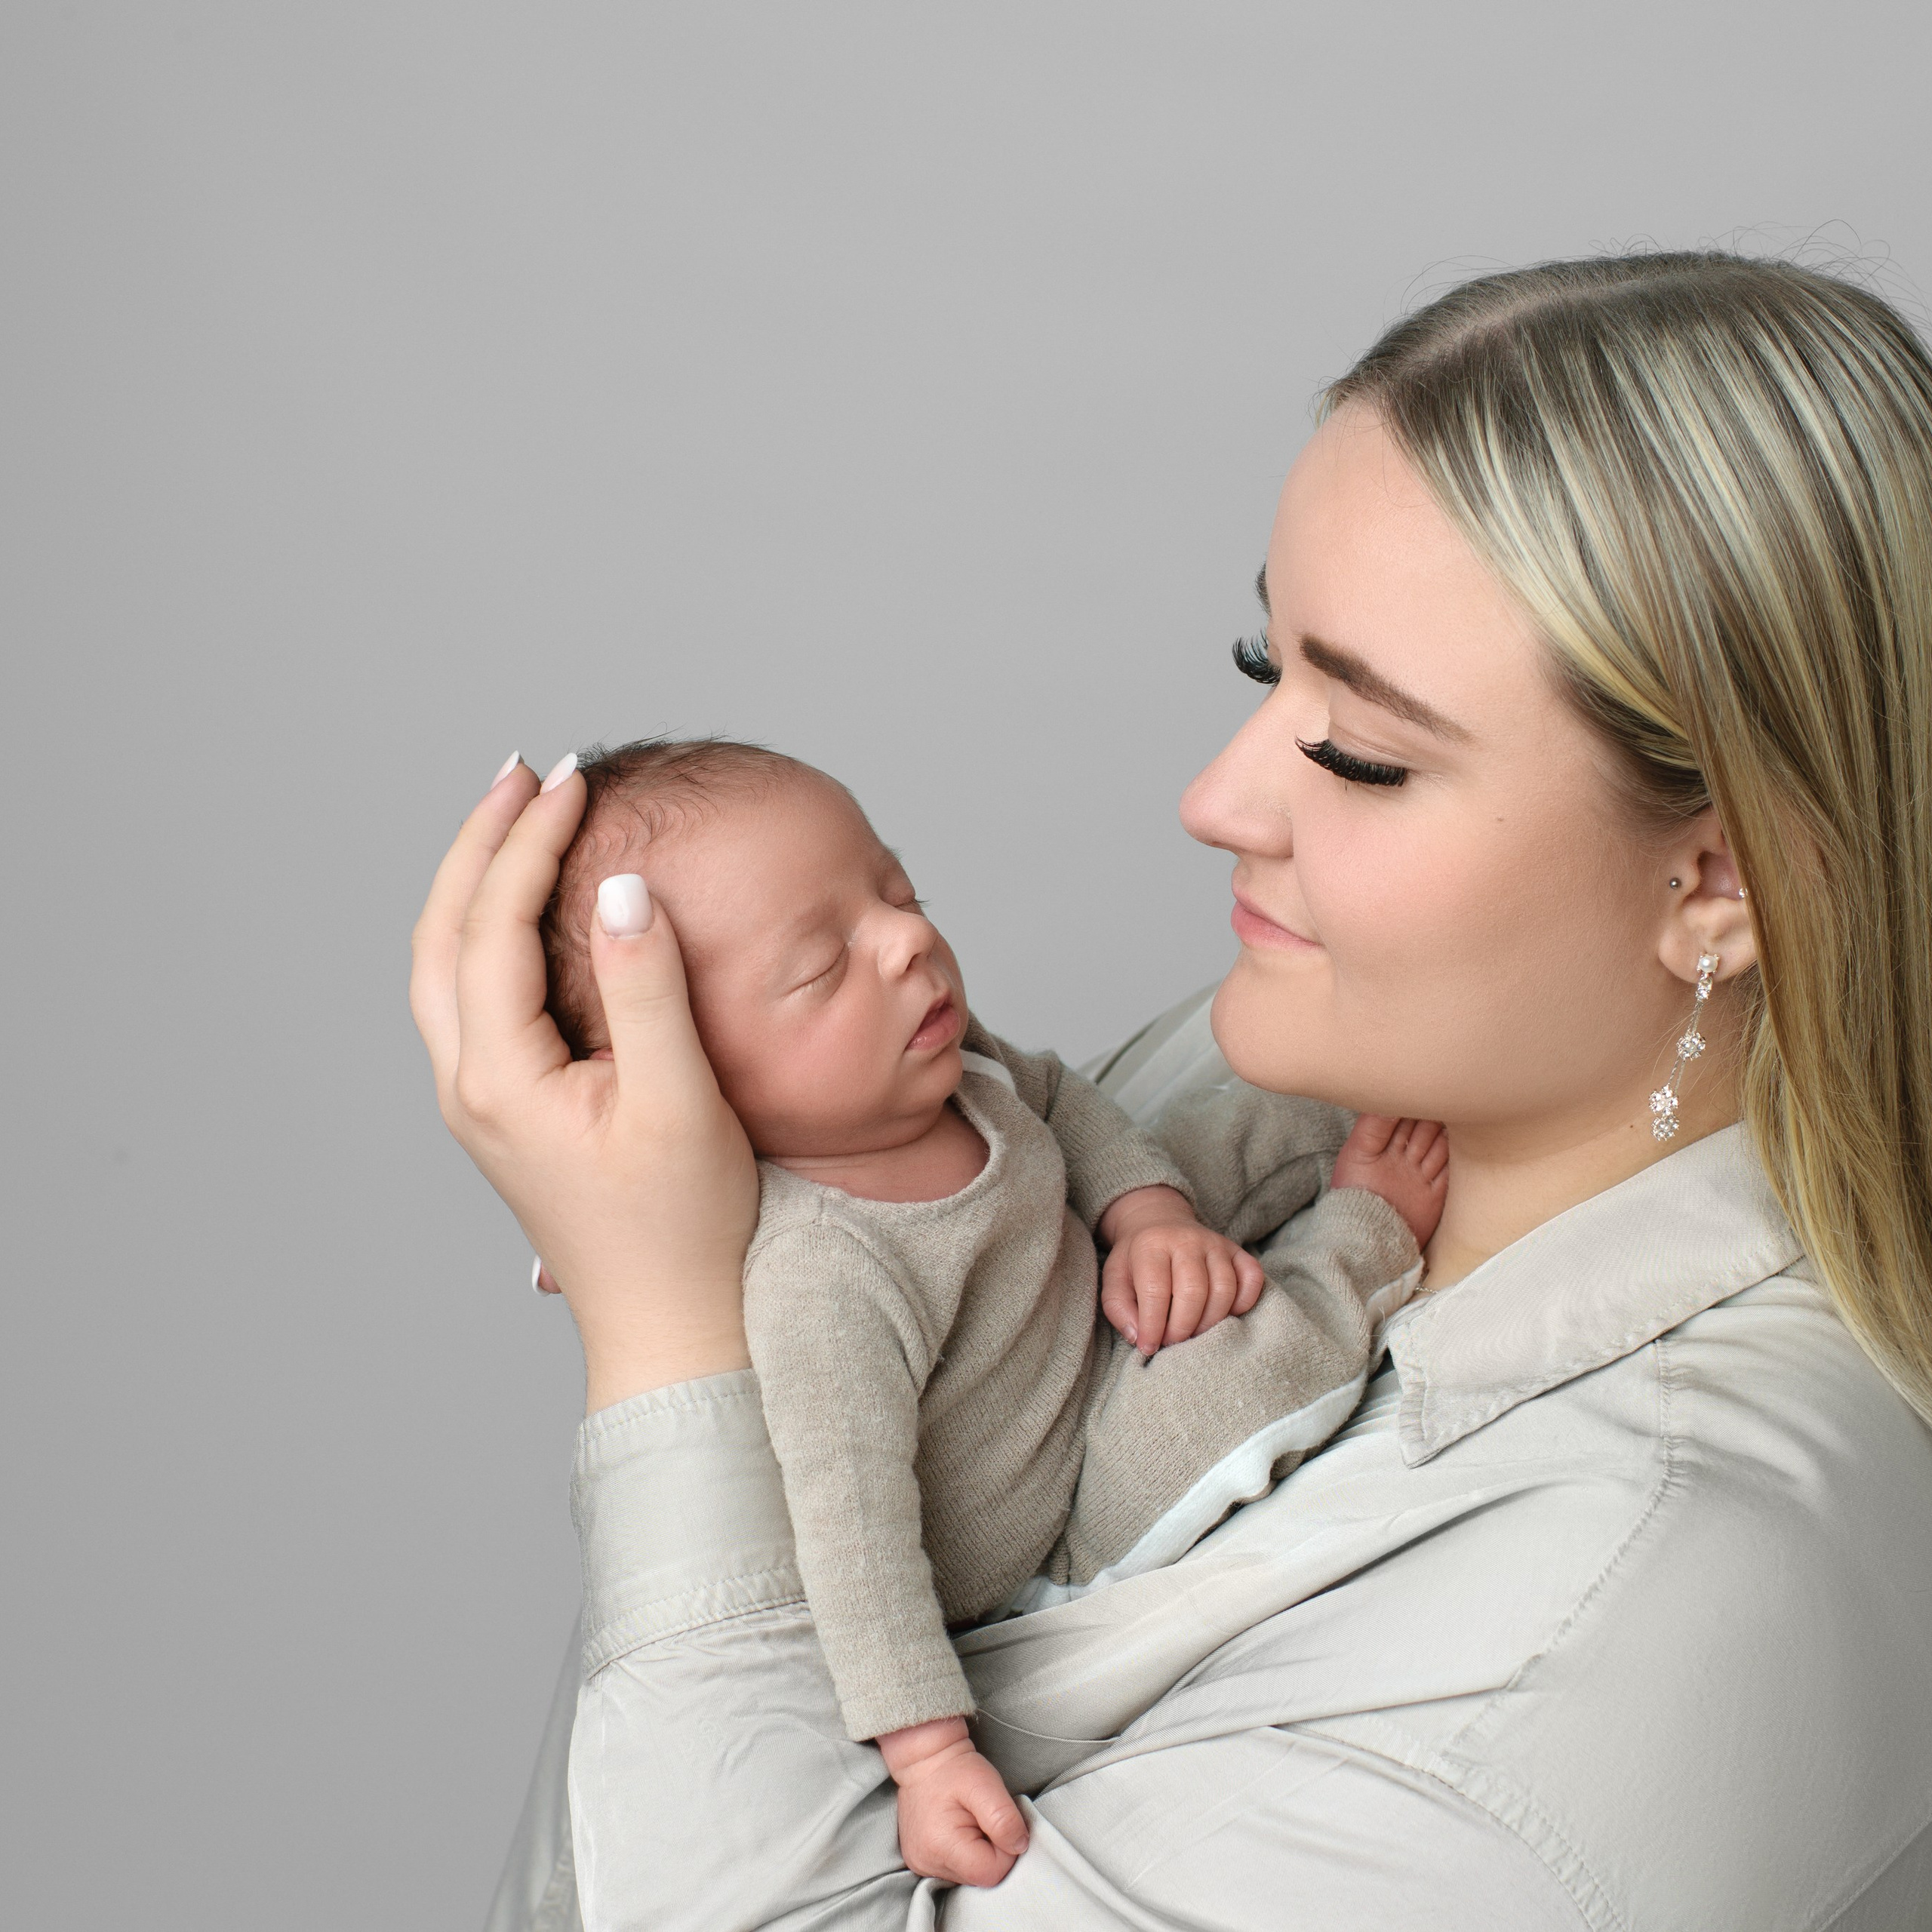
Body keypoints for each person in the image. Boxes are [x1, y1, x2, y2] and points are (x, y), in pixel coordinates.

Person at [414, 251, 1932, 1929]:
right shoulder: (1248, 1061)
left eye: (1361, 748)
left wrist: (666, 1353)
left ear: (1714, 876)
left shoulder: (1637, 1614)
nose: (1213, 796)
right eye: (1256, 666)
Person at [531, 735, 1444, 1885]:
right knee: (1230, 1390)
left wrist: (1149, 1217)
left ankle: (1394, 1110)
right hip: (1064, 1494)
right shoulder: (823, 1277)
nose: (907, 941)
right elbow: (854, 1544)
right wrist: (926, 1754)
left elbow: (1061, 1100)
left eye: (896, 891)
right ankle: (1367, 1233)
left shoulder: (947, 1063)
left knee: (1236, 1120)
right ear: (691, 1086)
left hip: (1082, 1288)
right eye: (822, 969)